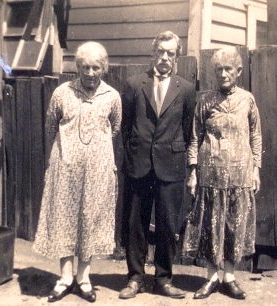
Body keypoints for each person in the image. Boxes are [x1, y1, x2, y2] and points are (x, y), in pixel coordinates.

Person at [33, 41, 122, 303]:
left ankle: (84, 279)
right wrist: (66, 154)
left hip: (97, 171)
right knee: (64, 219)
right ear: (77, 67)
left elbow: (114, 128)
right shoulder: (62, 92)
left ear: (103, 68)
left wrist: (94, 153)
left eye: (96, 67)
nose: (90, 73)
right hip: (65, 168)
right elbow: (50, 127)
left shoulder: (112, 97)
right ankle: (65, 278)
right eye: (85, 67)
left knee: (89, 220)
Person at [119, 31, 196, 299]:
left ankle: (163, 279)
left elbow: (186, 130)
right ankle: (135, 278)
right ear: (153, 53)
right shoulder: (133, 84)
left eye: (170, 53)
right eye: (160, 52)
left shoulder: (185, 89)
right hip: (138, 163)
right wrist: (136, 151)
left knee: (167, 224)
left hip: (170, 166)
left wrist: (172, 151)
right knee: (135, 223)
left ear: (177, 56)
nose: (165, 57)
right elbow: (125, 126)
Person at [186, 46, 262, 300]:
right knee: (210, 225)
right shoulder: (205, 100)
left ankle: (228, 278)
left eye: (228, 69)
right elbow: (195, 138)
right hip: (211, 176)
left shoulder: (248, 99)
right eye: (219, 69)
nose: (223, 74)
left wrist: (256, 170)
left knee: (233, 227)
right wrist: (193, 172)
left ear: (238, 71)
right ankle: (210, 279)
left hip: (240, 176)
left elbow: (256, 136)